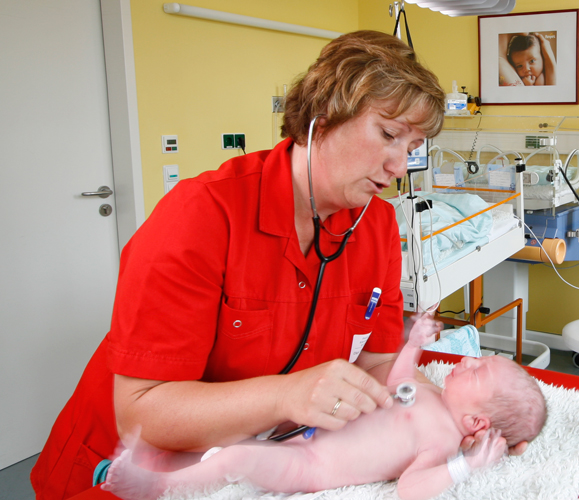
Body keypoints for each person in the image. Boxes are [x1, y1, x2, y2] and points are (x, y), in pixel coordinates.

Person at [31, 30, 523, 500]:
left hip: (244, 466)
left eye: (412, 148)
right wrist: (287, 396)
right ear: (324, 117)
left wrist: (456, 427)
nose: (399, 167)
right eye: (389, 134)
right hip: (121, 470)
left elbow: (375, 362)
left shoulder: (373, 227)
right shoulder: (200, 216)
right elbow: (143, 410)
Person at [101, 312, 548, 500]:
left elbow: (410, 489)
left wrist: (467, 467)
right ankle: (151, 466)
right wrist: (412, 342)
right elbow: (396, 379)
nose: (466, 360)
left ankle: (158, 488)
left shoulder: (443, 438)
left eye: (477, 371)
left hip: (312, 466)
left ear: (475, 420)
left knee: (237, 458)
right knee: (227, 441)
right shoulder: (432, 394)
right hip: (303, 428)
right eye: (479, 358)